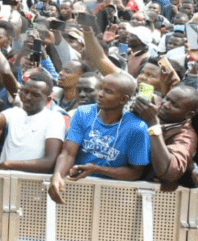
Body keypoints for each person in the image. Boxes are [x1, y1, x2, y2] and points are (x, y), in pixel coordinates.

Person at [49, 72, 151, 205]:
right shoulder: (83, 113)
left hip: (114, 198)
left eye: (108, 91)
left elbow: (135, 172)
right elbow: (68, 153)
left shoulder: (137, 127)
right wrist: (57, 175)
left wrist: (97, 169)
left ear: (124, 99)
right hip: (76, 191)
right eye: (100, 88)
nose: (100, 94)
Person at [0, 71, 65, 173]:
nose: (28, 97)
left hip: (31, 184)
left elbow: (49, 162)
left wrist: (7, 164)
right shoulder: (13, 113)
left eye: (35, 95)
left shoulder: (54, 118)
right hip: (5, 181)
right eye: (25, 92)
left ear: (48, 99)